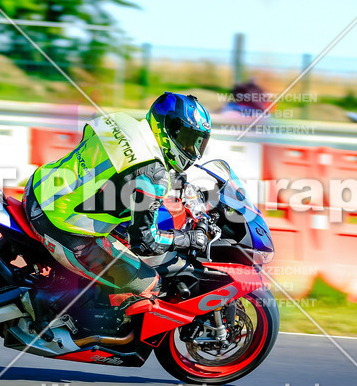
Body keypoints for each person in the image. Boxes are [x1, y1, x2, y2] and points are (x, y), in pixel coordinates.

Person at [23, 92, 214, 327]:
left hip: (39, 188)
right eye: (186, 138)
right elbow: (146, 242)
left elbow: (123, 170)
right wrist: (189, 239)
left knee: (119, 235)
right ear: (168, 129)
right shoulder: (154, 174)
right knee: (148, 282)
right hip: (63, 227)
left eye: (197, 142)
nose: (191, 150)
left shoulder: (121, 122)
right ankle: (57, 313)